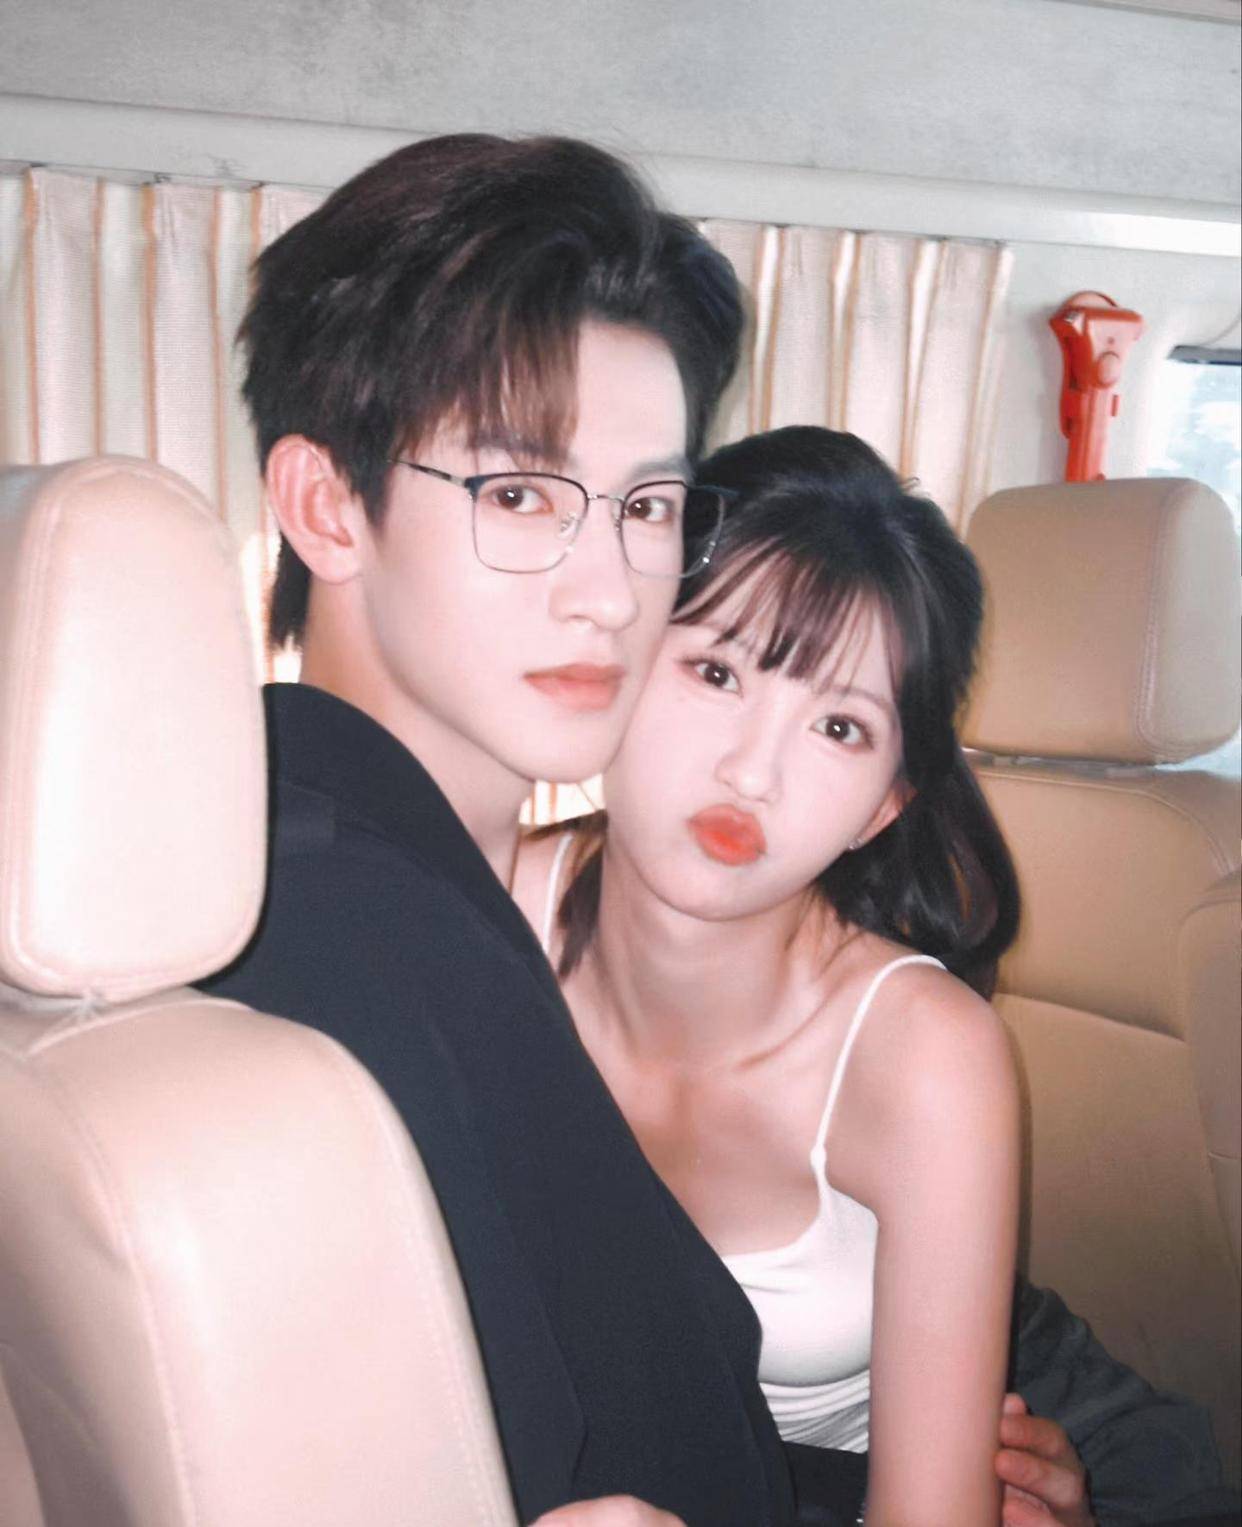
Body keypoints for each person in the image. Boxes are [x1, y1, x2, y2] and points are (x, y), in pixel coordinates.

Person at [513, 427, 1242, 1527]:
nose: (753, 770)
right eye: (716, 671)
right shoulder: (488, 913)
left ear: (885, 805)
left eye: (840, 726)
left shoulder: (926, 1053)